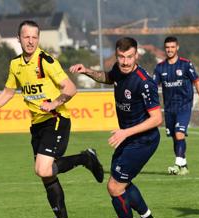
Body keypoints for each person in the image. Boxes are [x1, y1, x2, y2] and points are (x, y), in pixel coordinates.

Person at [0, 20, 104, 218]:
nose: (31, 41)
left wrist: (53, 104)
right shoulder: (15, 64)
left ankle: (85, 158)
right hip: (37, 125)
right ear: (19, 39)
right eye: (26, 37)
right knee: (47, 177)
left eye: (35, 37)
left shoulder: (46, 61)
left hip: (56, 118)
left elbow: (71, 88)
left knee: (42, 169)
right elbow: (8, 93)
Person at [69, 37, 161, 218]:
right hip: (128, 139)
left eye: (129, 57)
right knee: (122, 183)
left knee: (114, 187)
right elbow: (108, 77)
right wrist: (86, 71)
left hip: (143, 141)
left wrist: (125, 132)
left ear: (137, 56)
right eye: (121, 57)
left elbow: (157, 119)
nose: (125, 62)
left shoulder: (144, 83)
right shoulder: (119, 70)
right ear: (116, 56)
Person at [153, 36, 199, 175]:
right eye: (167, 47)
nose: (170, 50)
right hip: (169, 108)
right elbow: (152, 88)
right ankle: (183, 166)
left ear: (177, 47)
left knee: (179, 134)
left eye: (172, 47)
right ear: (165, 49)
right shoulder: (160, 68)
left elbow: (197, 82)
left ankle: (177, 164)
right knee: (175, 137)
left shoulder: (186, 64)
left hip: (184, 106)